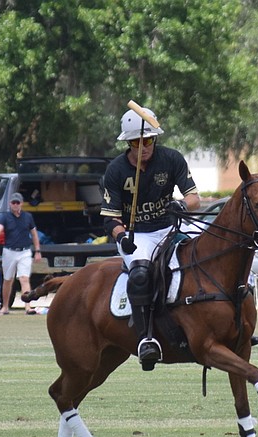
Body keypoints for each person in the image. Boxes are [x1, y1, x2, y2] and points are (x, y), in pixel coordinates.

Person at [100, 107, 200, 371]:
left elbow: (194, 198)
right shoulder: (116, 170)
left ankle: (226, 324)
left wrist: (182, 206)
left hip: (168, 228)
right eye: (136, 142)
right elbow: (110, 218)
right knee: (141, 275)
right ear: (128, 143)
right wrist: (121, 238)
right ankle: (147, 339)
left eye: (148, 140)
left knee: (206, 254)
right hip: (138, 235)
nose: (143, 147)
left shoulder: (171, 159)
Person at [0, 192, 42, 315]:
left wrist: (37, 251)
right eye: (13, 203)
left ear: (21, 204)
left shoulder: (28, 217)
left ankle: (28, 307)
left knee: (24, 278)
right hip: (9, 252)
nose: (15, 205)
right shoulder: (4, 217)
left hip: (24, 251)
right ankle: (5, 306)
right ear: (10, 204)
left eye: (17, 203)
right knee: (8, 279)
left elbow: (34, 234)